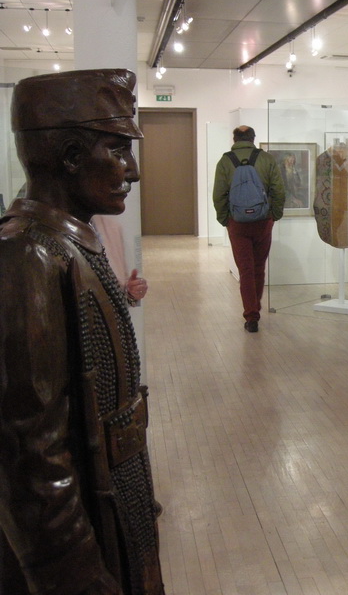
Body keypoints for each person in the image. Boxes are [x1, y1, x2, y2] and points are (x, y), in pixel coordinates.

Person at [0, 68, 164, 594]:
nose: (131, 171)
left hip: (113, 494)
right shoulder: (29, 255)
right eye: (118, 151)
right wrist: (74, 574)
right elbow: (30, 456)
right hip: (88, 522)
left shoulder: (69, 242)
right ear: (71, 156)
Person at [212, 125, 285, 333]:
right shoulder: (267, 159)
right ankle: (255, 307)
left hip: (237, 224)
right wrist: (274, 215)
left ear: (234, 139)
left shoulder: (225, 161)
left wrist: (225, 220)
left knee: (245, 270)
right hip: (263, 221)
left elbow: (218, 195)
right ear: (253, 139)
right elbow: (279, 190)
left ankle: (251, 316)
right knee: (259, 267)